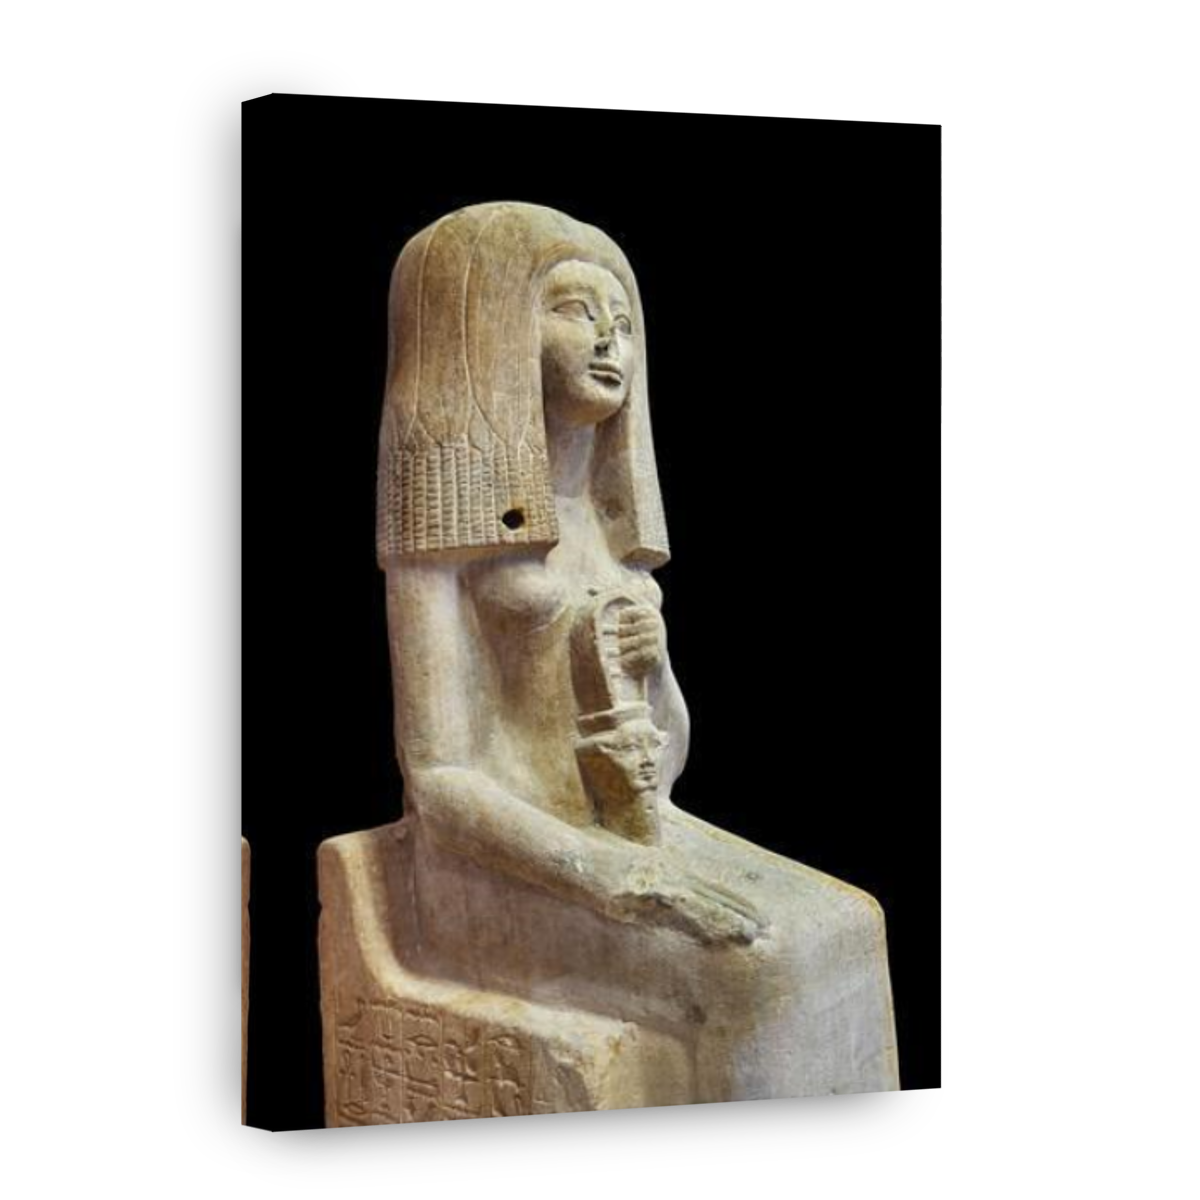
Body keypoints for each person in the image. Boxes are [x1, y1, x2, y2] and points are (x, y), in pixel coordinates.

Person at [367, 201, 898, 1102]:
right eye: (577, 311)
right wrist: (612, 878)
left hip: (626, 832)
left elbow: (662, 763)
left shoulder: (604, 529)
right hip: (492, 868)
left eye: (623, 321)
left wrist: (657, 672)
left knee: (848, 923)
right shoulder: (453, 528)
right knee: (759, 969)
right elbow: (441, 783)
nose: (612, 341)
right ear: (494, 332)